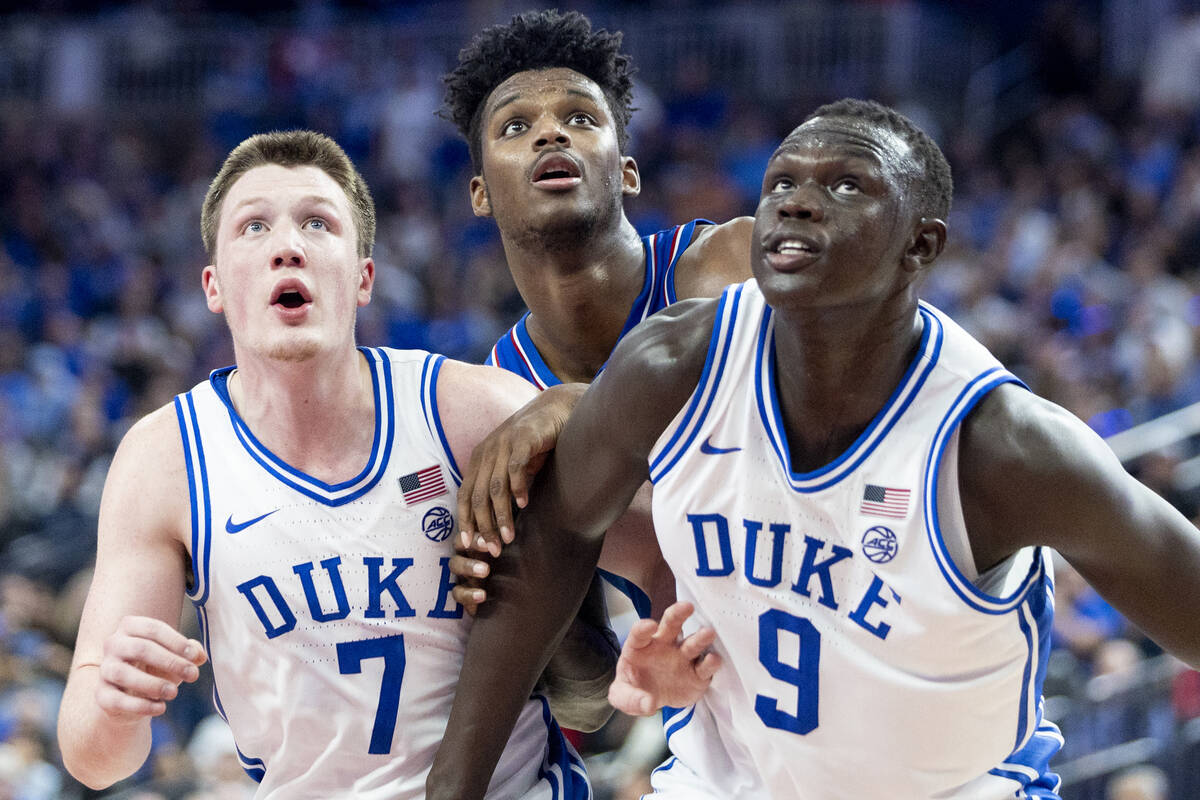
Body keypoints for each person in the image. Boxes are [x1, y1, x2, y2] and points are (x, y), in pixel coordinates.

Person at [425, 99, 1200, 799]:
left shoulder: (1002, 448)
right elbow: (554, 537)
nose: (797, 200)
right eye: (781, 182)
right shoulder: (672, 364)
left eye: (846, 186)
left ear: (920, 245)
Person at [55, 130, 611, 798]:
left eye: (317, 223)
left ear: (364, 276)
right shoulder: (164, 459)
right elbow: (93, 759)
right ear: (214, 287)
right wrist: (114, 702)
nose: (287, 245)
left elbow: (611, 662)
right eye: (253, 226)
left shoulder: (474, 411)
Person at [441, 8, 752, 619]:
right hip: (696, 682)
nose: (551, 134)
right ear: (479, 193)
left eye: (580, 119)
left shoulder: (728, 266)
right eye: (514, 127)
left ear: (627, 171)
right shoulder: (498, 395)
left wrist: (579, 407)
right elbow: (583, 692)